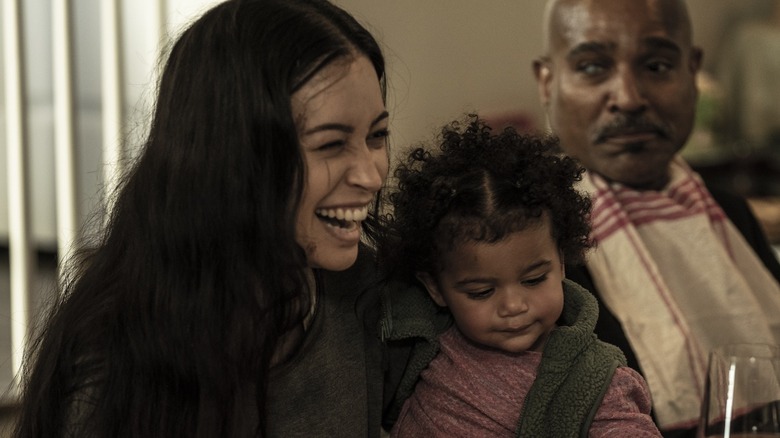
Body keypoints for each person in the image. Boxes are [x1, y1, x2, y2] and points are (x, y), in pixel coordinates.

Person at [13, 0, 395, 436]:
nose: (372, 174)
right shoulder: (117, 363)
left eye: (377, 135)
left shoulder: (368, 296)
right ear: (234, 158)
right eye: (331, 144)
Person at [532, 0, 780, 436]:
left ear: (694, 72)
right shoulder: (530, 244)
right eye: (592, 67)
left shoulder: (731, 215)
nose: (628, 98)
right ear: (547, 82)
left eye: (658, 65)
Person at [379, 116, 661, 437]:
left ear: (562, 264)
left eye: (534, 280)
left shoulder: (596, 380)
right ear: (436, 289)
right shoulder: (421, 341)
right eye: (482, 291)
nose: (513, 306)